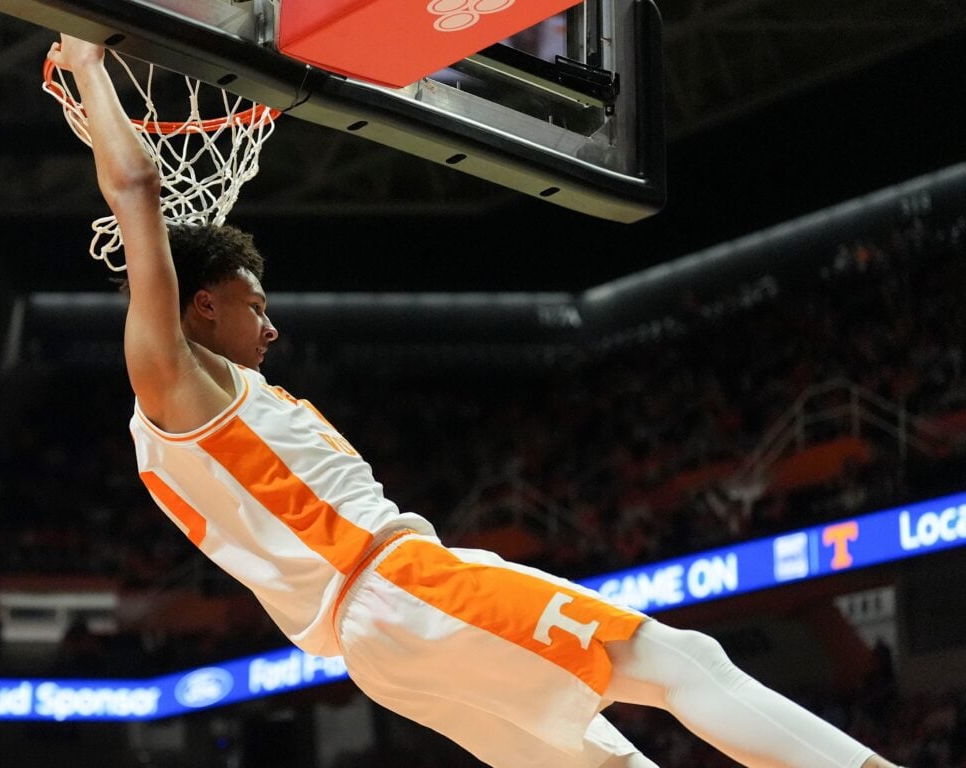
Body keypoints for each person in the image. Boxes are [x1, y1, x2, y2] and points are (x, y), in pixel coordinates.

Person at [47, 33, 908, 768]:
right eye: (255, 305)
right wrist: (88, 59)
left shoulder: (194, 416)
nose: (270, 327)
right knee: (683, 660)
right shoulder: (177, 385)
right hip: (401, 588)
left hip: (377, 646)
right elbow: (140, 196)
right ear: (203, 304)